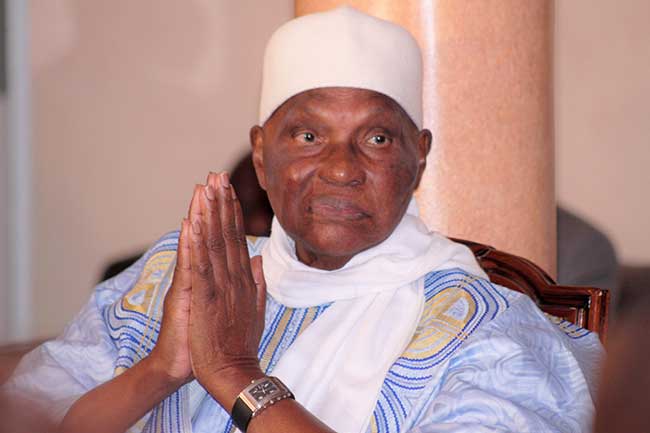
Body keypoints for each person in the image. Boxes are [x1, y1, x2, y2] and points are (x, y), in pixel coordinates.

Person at [1, 7, 602, 433]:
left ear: (418, 157)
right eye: (308, 136)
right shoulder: (177, 276)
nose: (341, 168)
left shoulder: (485, 330)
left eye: (377, 138)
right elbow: (33, 418)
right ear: (261, 155)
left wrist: (236, 376)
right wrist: (163, 367)